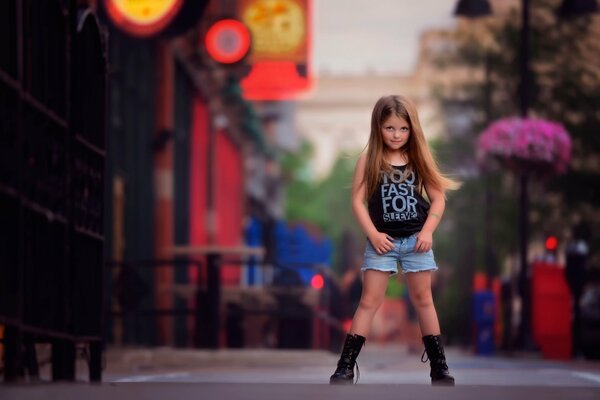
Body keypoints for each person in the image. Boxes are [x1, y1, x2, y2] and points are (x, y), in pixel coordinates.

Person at [329, 95, 460, 386]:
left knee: (424, 300)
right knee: (369, 301)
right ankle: (346, 366)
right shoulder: (369, 160)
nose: (397, 135)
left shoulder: (418, 159)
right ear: (378, 127)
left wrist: (427, 232)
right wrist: (373, 234)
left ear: (412, 128)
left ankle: (439, 367)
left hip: (416, 241)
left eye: (403, 128)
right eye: (389, 128)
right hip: (382, 243)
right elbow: (358, 202)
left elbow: (438, 199)